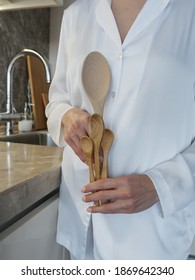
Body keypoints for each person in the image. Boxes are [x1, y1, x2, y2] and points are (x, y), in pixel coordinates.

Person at [46, 0, 195, 260]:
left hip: (152, 238)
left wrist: (158, 186)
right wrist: (65, 116)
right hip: (82, 230)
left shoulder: (189, 13)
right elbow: (57, 100)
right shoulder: (76, 15)